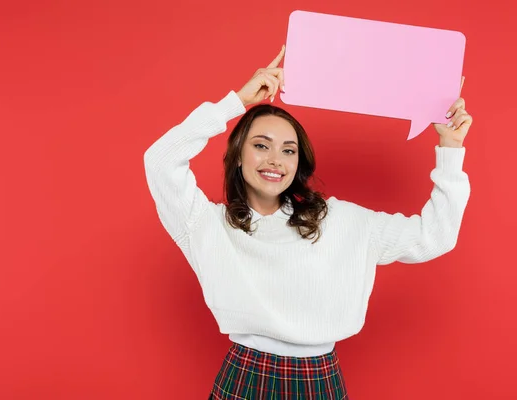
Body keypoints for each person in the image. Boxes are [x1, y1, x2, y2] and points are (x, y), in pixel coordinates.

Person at [143, 45, 471, 400]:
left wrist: (450, 148)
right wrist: (236, 102)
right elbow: (160, 160)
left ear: (299, 163)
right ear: (238, 155)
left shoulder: (341, 221)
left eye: (288, 150)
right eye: (261, 145)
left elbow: (435, 236)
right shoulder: (207, 224)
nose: (275, 160)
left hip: (318, 380)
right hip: (244, 376)